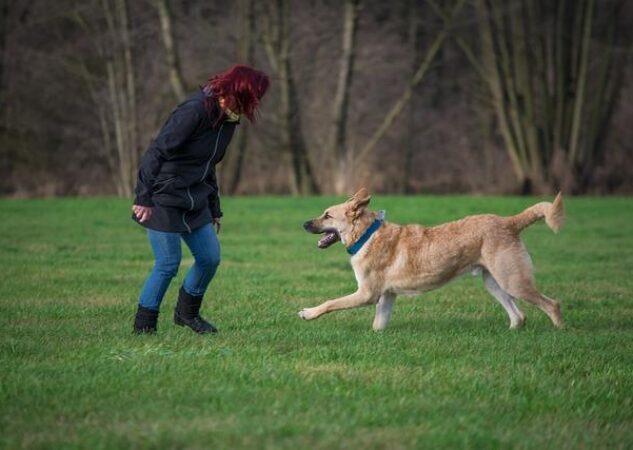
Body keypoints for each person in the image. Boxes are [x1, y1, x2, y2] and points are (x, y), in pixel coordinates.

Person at [131, 64, 270, 334]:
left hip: (195, 198)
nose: (254, 104)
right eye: (252, 97)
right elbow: (156, 152)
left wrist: (214, 208)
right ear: (238, 91)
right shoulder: (194, 111)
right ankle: (144, 327)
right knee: (167, 264)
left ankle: (186, 314)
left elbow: (209, 165)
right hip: (164, 196)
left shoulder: (229, 121)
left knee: (209, 258)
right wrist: (144, 196)